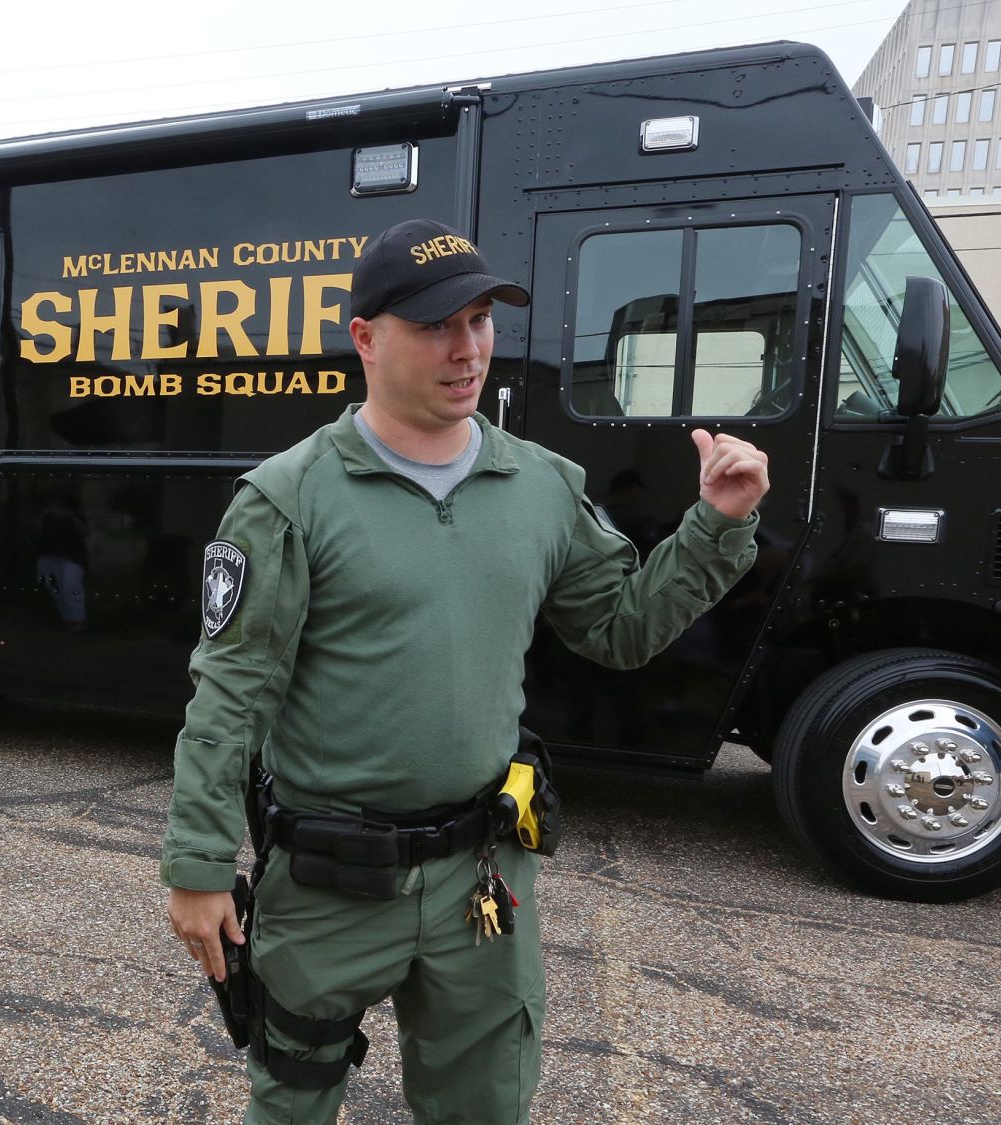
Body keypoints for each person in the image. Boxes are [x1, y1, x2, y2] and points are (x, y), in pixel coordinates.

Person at [161, 218, 768, 1124]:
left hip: (482, 879)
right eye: (437, 325)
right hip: (331, 879)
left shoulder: (542, 485)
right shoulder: (288, 499)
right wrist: (199, 862)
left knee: (482, 1108)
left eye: (480, 320)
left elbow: (619, 629)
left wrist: (715, 526)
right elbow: (232, 691)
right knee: (291, 1103)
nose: (466, 349)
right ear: (365, 338)